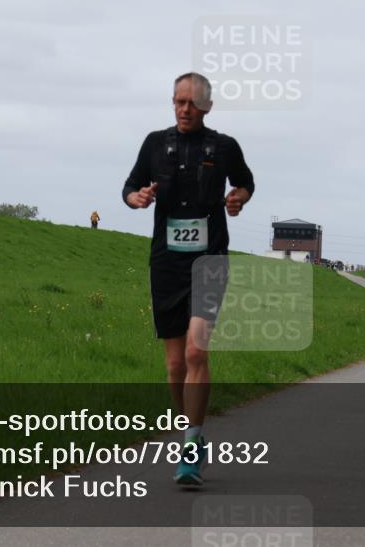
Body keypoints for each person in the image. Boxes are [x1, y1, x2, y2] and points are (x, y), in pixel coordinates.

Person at [123, 72, 255, 485]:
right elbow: (129, 187)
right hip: (166, 262)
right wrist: (137, 198)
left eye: (192, 104)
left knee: (197, 352)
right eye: (178, 102)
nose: (184, 110)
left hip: (210, 257)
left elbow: (245, 182)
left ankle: (192, 445)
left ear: (208, 107)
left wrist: (238, 198)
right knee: (175, 364)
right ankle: (188, 431)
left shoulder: (225, 146)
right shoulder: (154, 143)